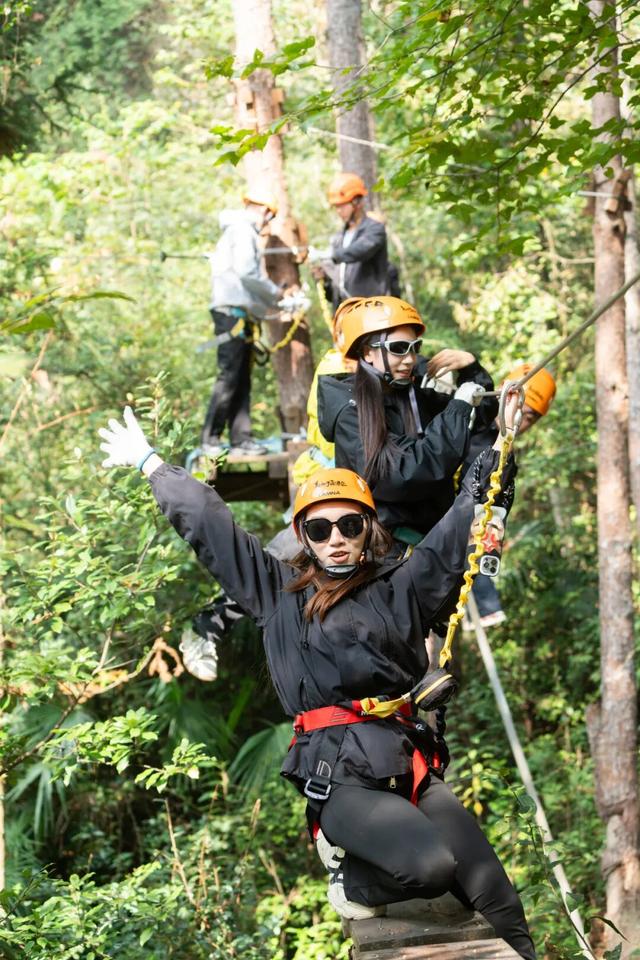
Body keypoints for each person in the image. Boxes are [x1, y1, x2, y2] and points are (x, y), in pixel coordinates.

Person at [98, 403, 535, 960]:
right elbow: (214, 528)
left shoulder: (402, 585)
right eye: (320, 528)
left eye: (350, 525)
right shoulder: (276, 592)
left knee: (492, 888)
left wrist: (500, 451)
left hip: (408, 761)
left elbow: (460, 527)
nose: (336, 539)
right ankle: (351, 879)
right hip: (340, 772)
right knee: (431, 867)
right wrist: (153, 465)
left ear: (367, 528)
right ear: (303, 534)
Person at [317, 295, 499, 546]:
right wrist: (457, 408)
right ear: (369, 352)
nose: (410, 358)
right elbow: (401, 475)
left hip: (433, 540)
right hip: (387, 550)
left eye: (415, 347)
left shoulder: (414, 394)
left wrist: (471, 370)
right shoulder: (352, 412)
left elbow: (478, 420)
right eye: (399, 348)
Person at [464, 363, 557, 628]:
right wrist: (469, 364)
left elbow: (492, 515)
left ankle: (485, 603)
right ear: (504, 396)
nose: (520, 420)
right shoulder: (472, 417)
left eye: (529, 418)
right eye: (517, 407)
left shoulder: (505, 456)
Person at [201, 188, 284, 458]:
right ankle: (211, 438)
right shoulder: (241, 230)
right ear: (263, 210)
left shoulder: (237, 232)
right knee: (230, 375)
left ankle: (241, 439)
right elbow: (247, 273)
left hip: (239, 315)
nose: (267, 224)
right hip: (231, 315)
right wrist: (275, 293)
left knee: (241, 378)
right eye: (269, 218)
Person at [315, 173, 390, 311]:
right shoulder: (338, 239)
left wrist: (330, 255)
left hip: (371, 311)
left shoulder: (374, 229)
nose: (339, 211)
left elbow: (360, 250)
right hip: (344, 314)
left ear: (357, 202)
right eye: (336, 207)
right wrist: (325, 279)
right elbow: (333, 292)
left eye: (342, 206)